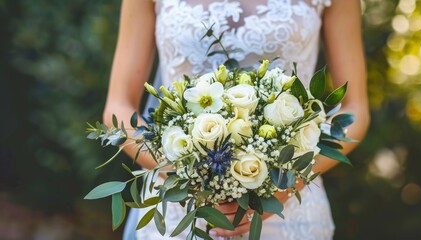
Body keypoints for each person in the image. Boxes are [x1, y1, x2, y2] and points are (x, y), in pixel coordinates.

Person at [103, 0, 370, 239]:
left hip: (288, 211)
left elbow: (355, 109)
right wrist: (188, 179)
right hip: (180, 212)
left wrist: (287, 186)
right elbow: (118, 108)